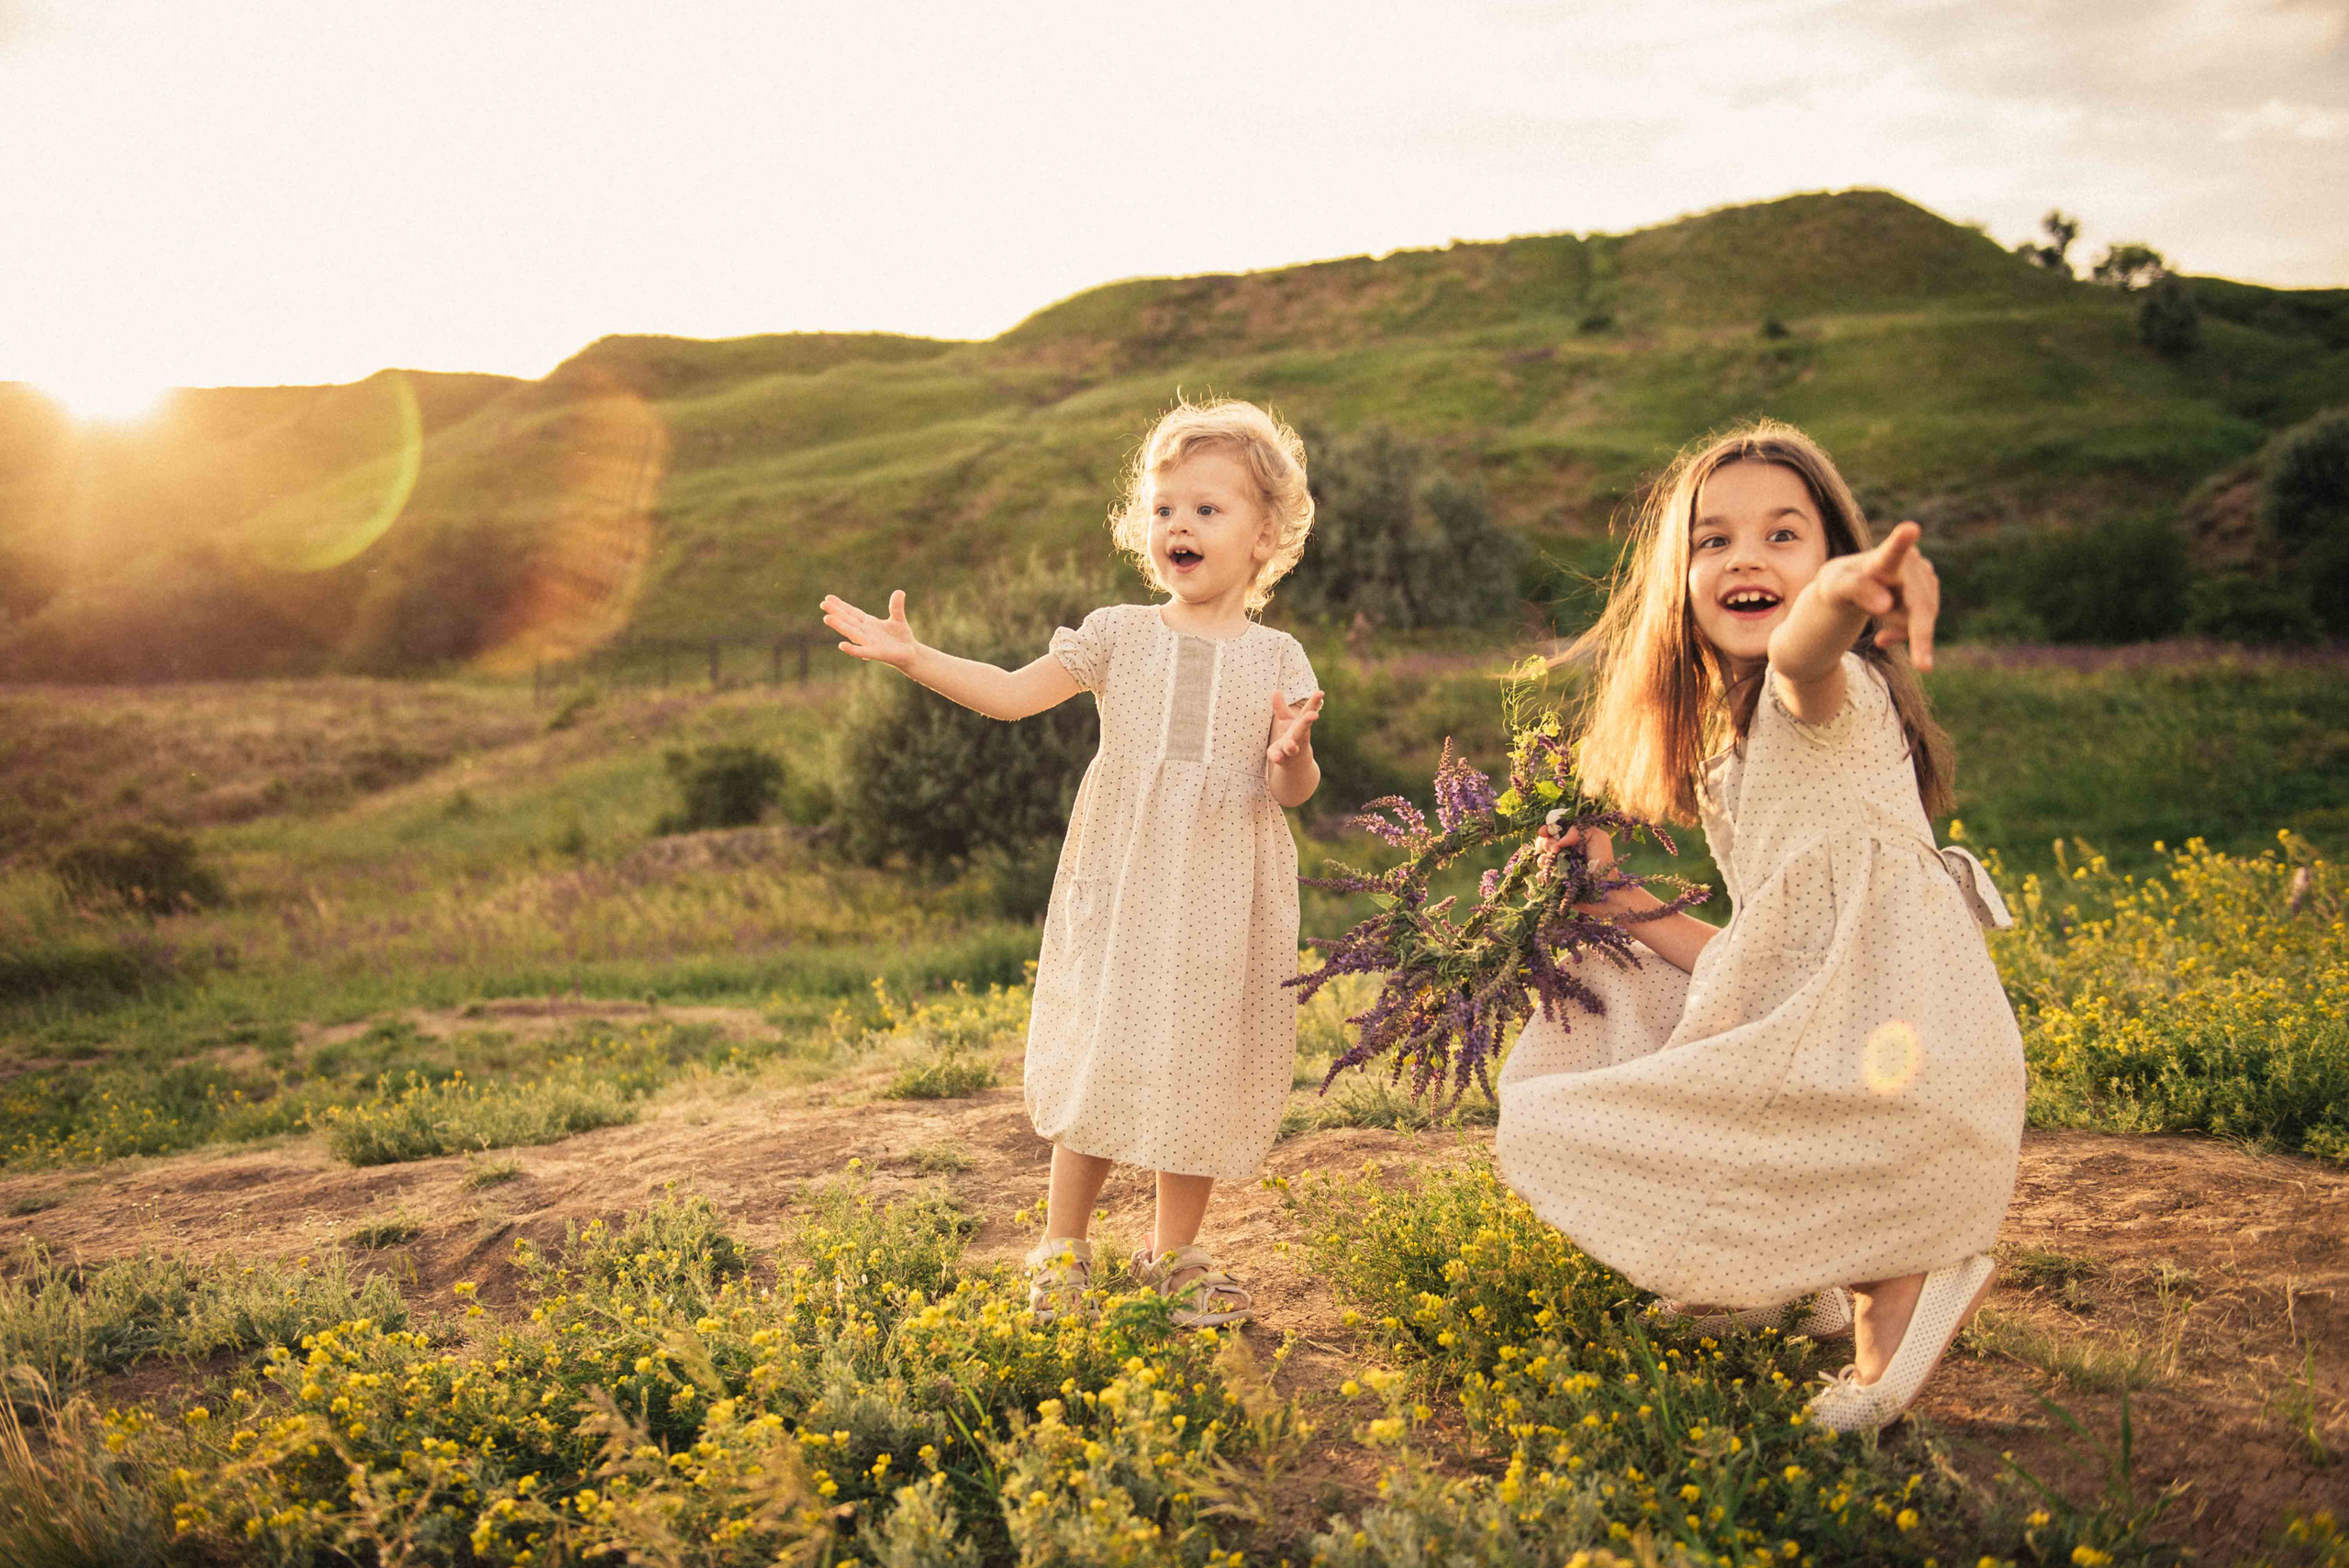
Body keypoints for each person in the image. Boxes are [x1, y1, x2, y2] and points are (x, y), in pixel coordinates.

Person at [1497, 418, 2023, 1433]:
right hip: (1844, 1053)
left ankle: (1911, 1266)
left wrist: (1846, 594)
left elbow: (1801, 650)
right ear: (1681, 578)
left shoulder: (1825, 691)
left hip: (1906, 1079)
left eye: (1785, 536)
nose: (1746, 557)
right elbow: (1759, 962)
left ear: (1834, 559)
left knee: (1568, 1118)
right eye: (1715, 540)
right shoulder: (1728, 757)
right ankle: (1792, 1271)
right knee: (1614, 978)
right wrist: (1612, 898)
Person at [819, 398, 1325, 1329]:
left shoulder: (1278, 655)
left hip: (1223, 893)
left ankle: (1176, 1253)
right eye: (1164, 507)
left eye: (1206, 509)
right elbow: (1011, 695)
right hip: (1125, 884)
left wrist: (1290, 754)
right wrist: (916, 658)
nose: (1178, 524)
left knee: (1198, 1061)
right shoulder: (1119, 633)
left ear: (1264, 535)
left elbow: (1290, 788)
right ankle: (1063, 1244)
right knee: (1104, 1046)